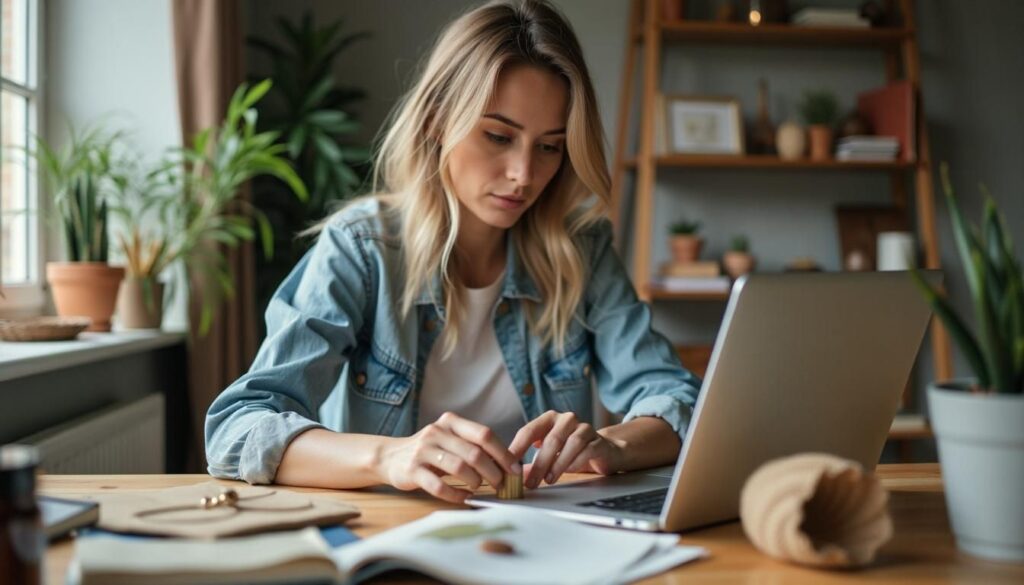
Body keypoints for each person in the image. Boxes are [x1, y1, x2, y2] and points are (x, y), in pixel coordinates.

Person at [205, 0, 701, 504]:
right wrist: (389, 457)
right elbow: (239, 427)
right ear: (438, 120)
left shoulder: (581, 250)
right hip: (393, 532)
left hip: (542, 533)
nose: (523, 174)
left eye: (549, 146)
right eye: (498, 136)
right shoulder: (360, 250)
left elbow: (680, 401)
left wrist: (611, 445)